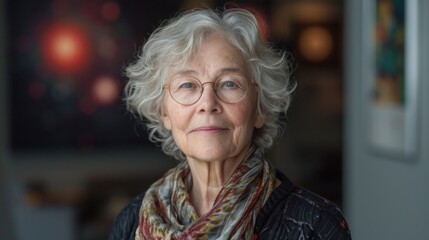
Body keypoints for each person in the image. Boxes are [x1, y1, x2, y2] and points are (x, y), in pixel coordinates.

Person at [109, 7, 351, 240]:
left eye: (229, 84)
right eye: (187, 85)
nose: (207, 103)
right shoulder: (131, 222)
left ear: (260, 108)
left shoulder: (315, 225)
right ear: (164, 112)